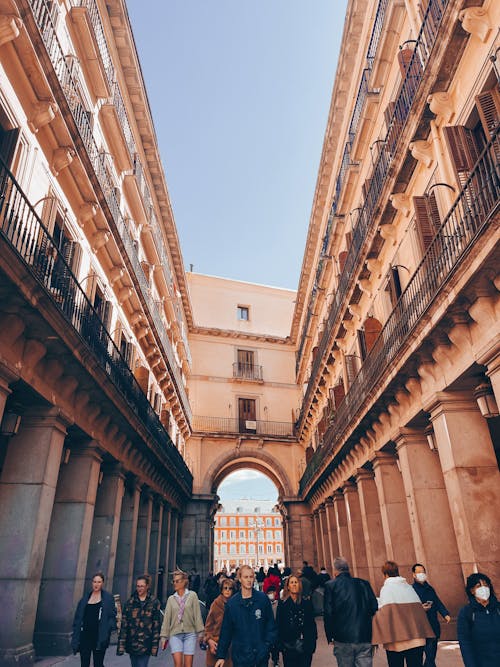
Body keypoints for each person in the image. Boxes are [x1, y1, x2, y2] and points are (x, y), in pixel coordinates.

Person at [372, 561, 434, 667]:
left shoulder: (386, 589)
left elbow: (384, 614)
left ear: (385, 575)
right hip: (416, 639)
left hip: (397, 640)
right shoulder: (409, 588)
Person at [215, 564, 277, 667]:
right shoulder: (232, 604)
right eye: (245, 577)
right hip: (241, 657)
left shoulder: (262, 599)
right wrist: (221, 655)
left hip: (260, 655)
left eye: (251, 577)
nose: (249, 580)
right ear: (240, 579)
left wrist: (266, 646)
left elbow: (270, 625)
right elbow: (226, 631)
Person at [323, 556, 378, 667]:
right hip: (364, 635)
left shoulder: (330, 585)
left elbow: (328, 613)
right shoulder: (364, 583)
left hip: (342, 637)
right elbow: (374, 607)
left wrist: (330, 636)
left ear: (335, 570)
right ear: (348, 569)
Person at [160, 569, 205, 667]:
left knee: (188, 665)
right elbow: (167, 619)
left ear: (184, 581)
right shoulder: (171, 599)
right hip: (175, 634)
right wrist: (164, 636)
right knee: (178, 664)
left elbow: (197, 615)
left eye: (177, 581)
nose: (175, 583)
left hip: (190, 634)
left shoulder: (192, 596)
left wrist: (201, 632)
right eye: (174, 581)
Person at [72, 571, 116, 667]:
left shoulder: (108, 599)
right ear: (92, 583)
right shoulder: (85, 599)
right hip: (85, 636)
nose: (96, 584)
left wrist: (107, 629)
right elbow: (78, 617)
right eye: (94, 582)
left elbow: (112, 616)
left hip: (99, 636)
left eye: (99, 582)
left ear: (102, 583)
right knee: (84, 663)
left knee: (98, 664)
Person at [117, 574, 162, 667]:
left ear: (147, 586)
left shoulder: (154, 602)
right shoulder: (130, 602)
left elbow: (156, 626)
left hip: (146, 643)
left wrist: (155, 646)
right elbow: (124, 625)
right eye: (138, 586)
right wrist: (121, 645)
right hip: (132, 642)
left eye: (142, 586)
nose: (139, 588)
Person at [411, 563, 451, 667]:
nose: (421, 574)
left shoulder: (430, 589)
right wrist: (420, 608)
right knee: (418, 657)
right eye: (418, 572)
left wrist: (445, 614)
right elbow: (409, 608)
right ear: (414, 575)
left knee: (431, 656)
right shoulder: (410, 590)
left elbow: (437, 602)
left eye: (423, 572)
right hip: (419, 628)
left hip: (432, 625)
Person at [457, 572, 500, 667]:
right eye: (478, 586)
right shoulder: (466, 612)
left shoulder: (498, 608)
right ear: (472, 590)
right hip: (481, 661)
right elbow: (465, 643)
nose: (483, 588)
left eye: (485, 585)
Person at [277, 574, 317, 667]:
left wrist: (312, 644)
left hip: (305, 645)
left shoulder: (306, 603)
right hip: (289, 646)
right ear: (288, 586)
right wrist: (280, 645)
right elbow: (279, 624)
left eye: (296, 582)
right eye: (292, 582)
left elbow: (312, 625)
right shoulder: (283, 604)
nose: (294, 584)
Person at [204, 577, 235, 667]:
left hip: (232, 645)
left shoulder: (235, 604)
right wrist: (209, 640)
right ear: (221, 590)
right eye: (225, 588)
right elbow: (208, 626)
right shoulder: (215, 604)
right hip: (216, 643)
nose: (227, 590)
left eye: (230, 588)